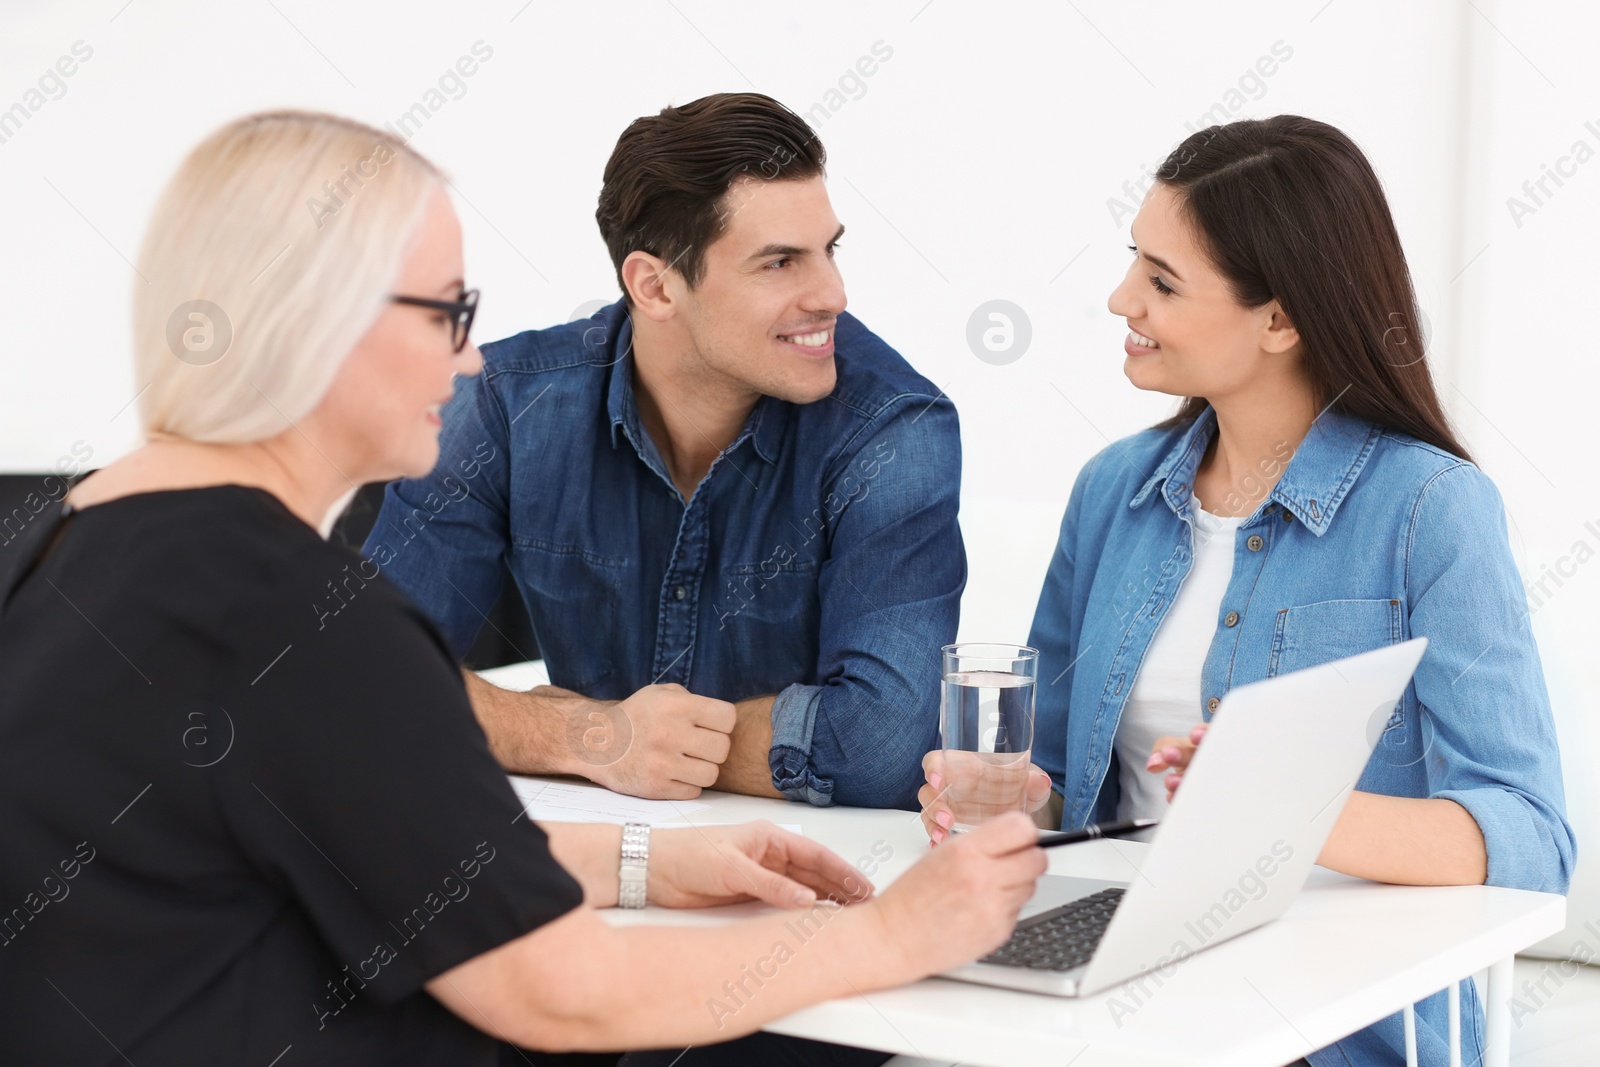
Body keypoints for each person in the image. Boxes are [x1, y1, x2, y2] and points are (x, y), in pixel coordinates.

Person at [0, 110, 1047, 1067]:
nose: (466, 365)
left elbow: (368, 823)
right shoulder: (300, 616)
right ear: (319, 317)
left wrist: (645, 860)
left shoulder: (60, 543)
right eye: (447, 313)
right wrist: (897, 929)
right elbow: (566, 993)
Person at [916, 116, 1574, 1067]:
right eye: (1132, 262)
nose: (1119, 299)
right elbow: (1059, 775)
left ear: (1280, 319)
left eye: (1162, 281)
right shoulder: (1113, 491)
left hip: (1326, 1022)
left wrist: (1284, 808)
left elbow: (1530, 834)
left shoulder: (1432, 509)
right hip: (1111, 974)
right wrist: (1015, 792)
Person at [363, 93, 963, 810]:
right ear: (654, 286)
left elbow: (882, 747)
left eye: (828, 250)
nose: (832, 293)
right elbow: (365, 675)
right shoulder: (503, 405)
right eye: (779, 263)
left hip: (805, 880)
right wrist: (586, 734)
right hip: (581, 853)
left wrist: (637, 739)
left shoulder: (893, 429)